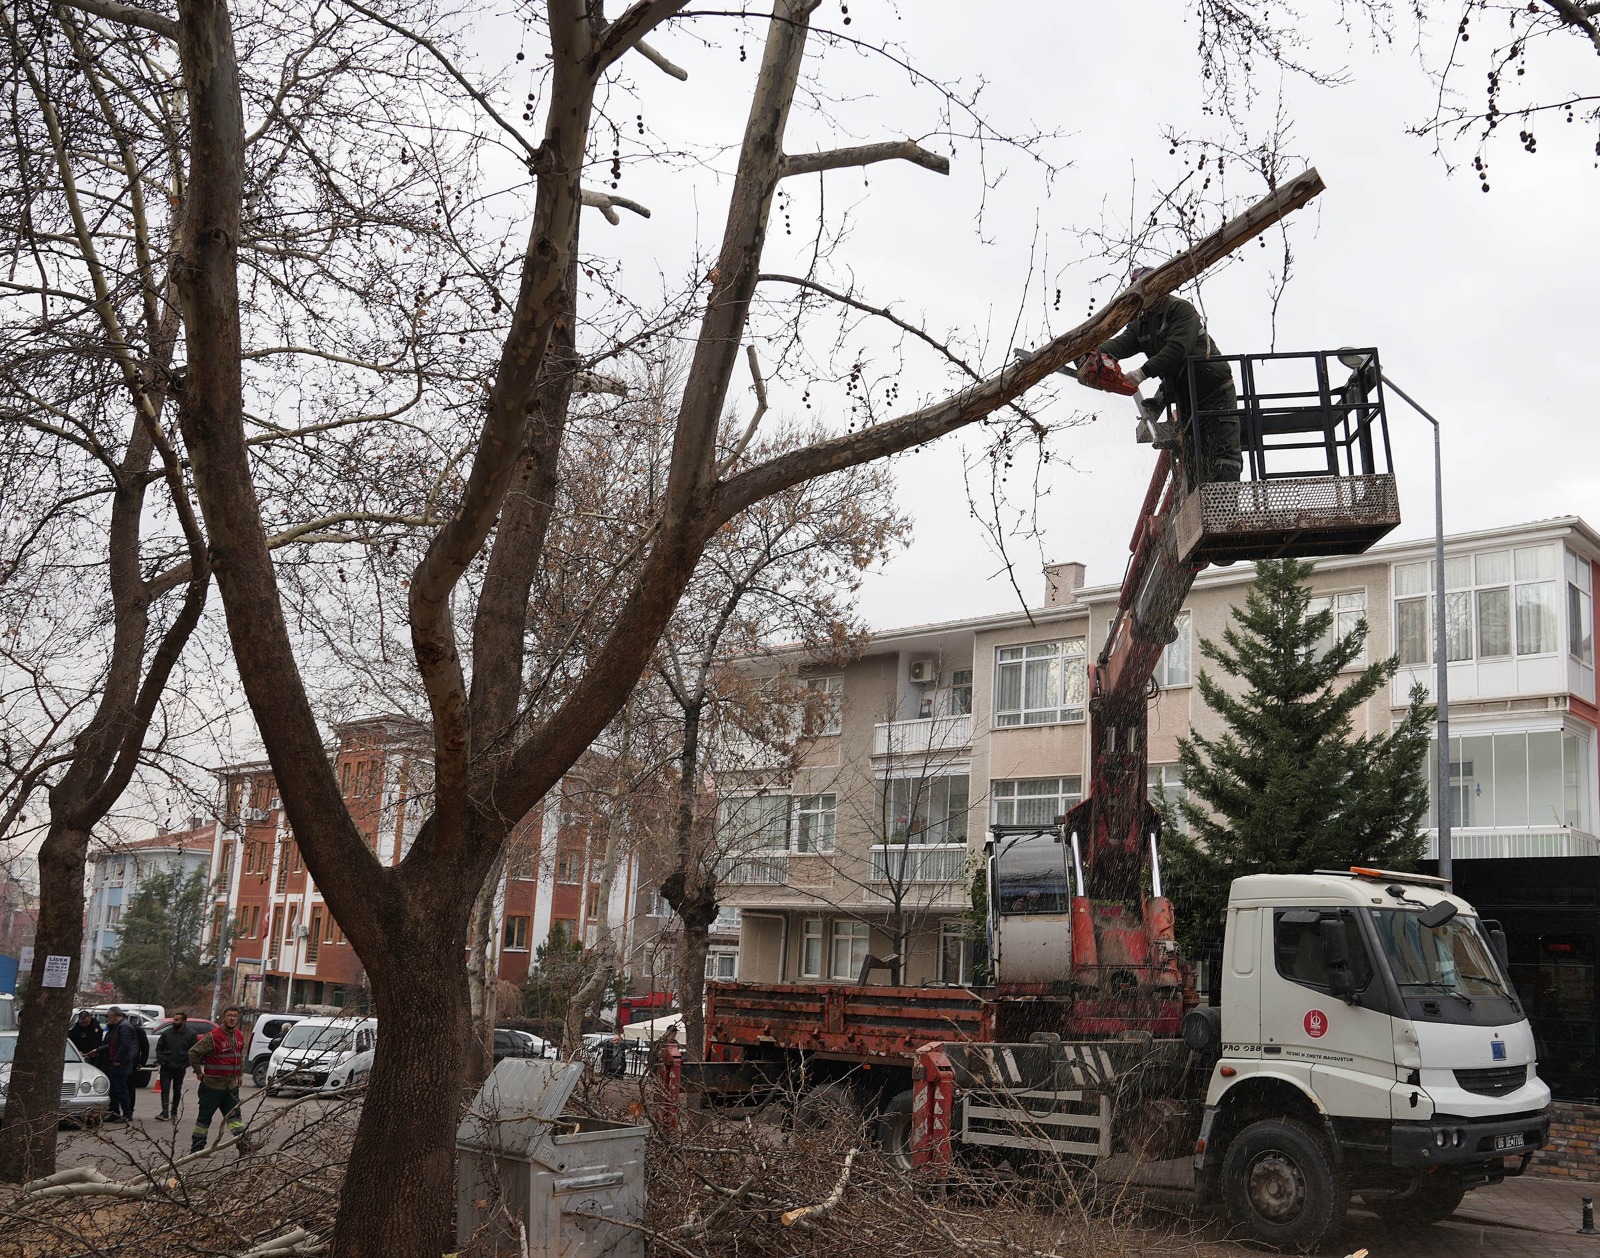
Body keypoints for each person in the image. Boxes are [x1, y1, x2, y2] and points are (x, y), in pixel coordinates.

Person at [1095, 266, 1242, 486]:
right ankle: (1197, 511)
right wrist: (1093, 354)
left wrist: (1142, 373)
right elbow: (1121, 344)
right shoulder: (1142, 323)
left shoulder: (1180, 310)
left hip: (1214, 392)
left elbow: (1176, 350)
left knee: (1223, 457)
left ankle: (1225, 515)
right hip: (1184, 396)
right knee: (1193, 462)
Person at [189, 1006, 250, 1154]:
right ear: (223, 1018)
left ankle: (245, 1147)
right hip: (212, 1086)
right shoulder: (213, 1036)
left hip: (231, 1086)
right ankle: (197, 1149)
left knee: (235, 1118)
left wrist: (240, 1075)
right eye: (229, 1015)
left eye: (235, 1016)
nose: (232, 1018)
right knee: (204, 1119)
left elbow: (239, 1058)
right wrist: (198, 1072)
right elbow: (193, 1053)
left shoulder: (239, 1035)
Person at [155, 1012, 200, 1122]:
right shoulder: (167, 1033)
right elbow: (159, 1048)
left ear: (184, 1021)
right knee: (165, 1089)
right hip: (166, 1066)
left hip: (180, 1067)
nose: (174, 1022)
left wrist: (186, 1063)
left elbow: (194, 1051)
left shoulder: (191, 1034)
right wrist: (162, 1060)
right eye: (174, 1019)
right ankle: (164, 1111)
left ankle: (174, 1111)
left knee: (177, 1089)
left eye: (177, 1020)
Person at [101, 1007, 142, 1123]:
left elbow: (124, 1045)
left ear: (113, 1015)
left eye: (108, 1016)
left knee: (121, 1089)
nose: (107, 1019)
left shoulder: (124, 1027)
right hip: (117, 1062)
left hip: (121, 1064)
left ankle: (127, 1114)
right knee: (114, 1089)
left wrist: (117, 1060)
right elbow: (113, 1045)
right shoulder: (118, 1027)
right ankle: (114, 1112)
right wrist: (98, 1050)